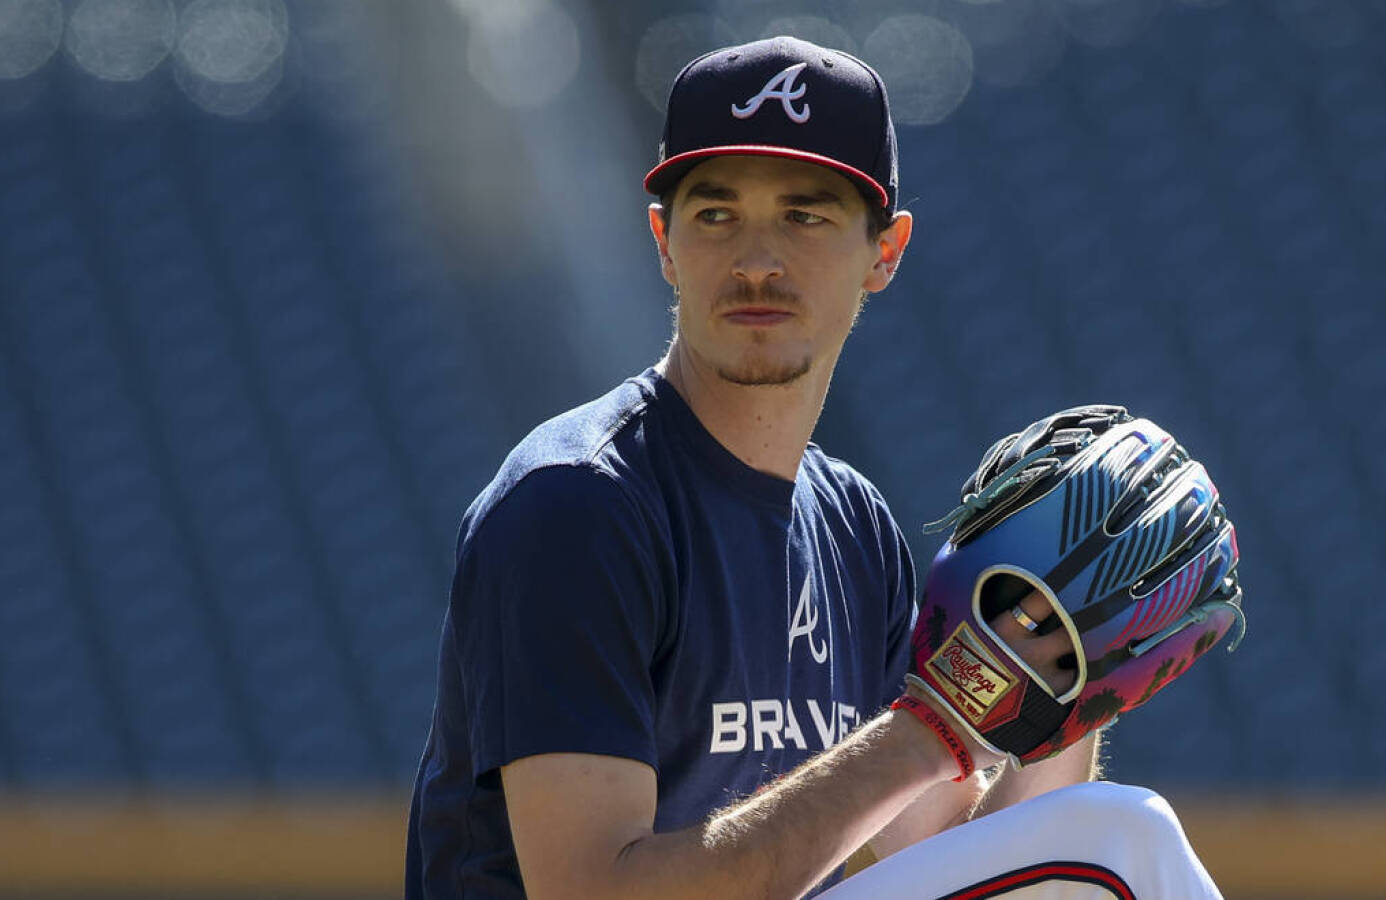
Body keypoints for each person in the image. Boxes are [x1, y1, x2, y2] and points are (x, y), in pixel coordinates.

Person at [405, 36, 1222, 899]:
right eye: (716, 214)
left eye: (806, 215)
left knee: (1101, 841)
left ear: (886, 251)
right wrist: (929, 731)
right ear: (664, 243)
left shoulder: (852, 527)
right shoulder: (575, 508)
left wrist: (1069, 679)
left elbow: (960, 858)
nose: (757, 259)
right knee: (1121, 845)